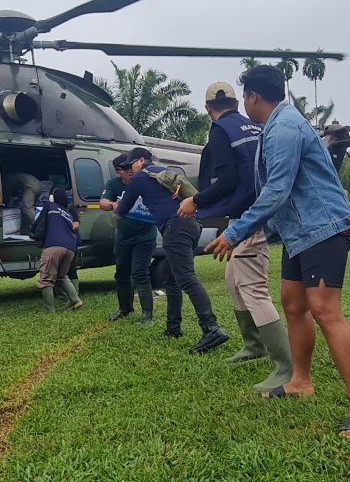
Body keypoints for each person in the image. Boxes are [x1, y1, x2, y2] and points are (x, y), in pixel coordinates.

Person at [206, 65, 350, 440]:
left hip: (324, 228)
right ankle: (300, 381)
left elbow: (277, 190)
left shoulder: (283, 128)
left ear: (251, 97)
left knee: (326, 311)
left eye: (244, 97)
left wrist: (234, 233)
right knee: (293, 304)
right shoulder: (277, 125)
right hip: (300, 231)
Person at [178, 81, 292, 392]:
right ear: (237, 103)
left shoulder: (220, 130)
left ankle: (285, 366)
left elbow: (227, 180)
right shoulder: (252, 126)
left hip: (248, 218)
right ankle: (253, 345)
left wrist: (195, 201)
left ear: (208, 109)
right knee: (233, 279)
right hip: (254, 213)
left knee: (253, 288)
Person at [114, 147, 229, 354]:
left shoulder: (140, 179)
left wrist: (113, 205)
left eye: (131, 164)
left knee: (186, 278)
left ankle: (211, 327)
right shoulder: (164, 173)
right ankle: (173, 328)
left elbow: (122, 210)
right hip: (192, 225)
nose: (130, 169)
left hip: (175, 228)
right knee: (171, 278)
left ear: (141, 160)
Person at [100, 154, 157, 324]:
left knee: (140, 273)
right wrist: (112, 205)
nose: (130, 171)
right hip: (123, 237)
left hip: (145, 236)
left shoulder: (144, 180)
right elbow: (102, 202)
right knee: (121, 274)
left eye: (130, 167)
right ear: (118, 172)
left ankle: (147, 315)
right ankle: (125, 309)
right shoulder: (113, 184)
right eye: (125, 169)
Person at [32, 187, 83, 312]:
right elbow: (75, 226)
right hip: (70, 248)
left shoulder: (50, 207)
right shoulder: (68, 211)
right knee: (62, 276)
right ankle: (76, 301)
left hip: (53, 246)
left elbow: (38, 224)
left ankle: (50, 311)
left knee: (45, 280)